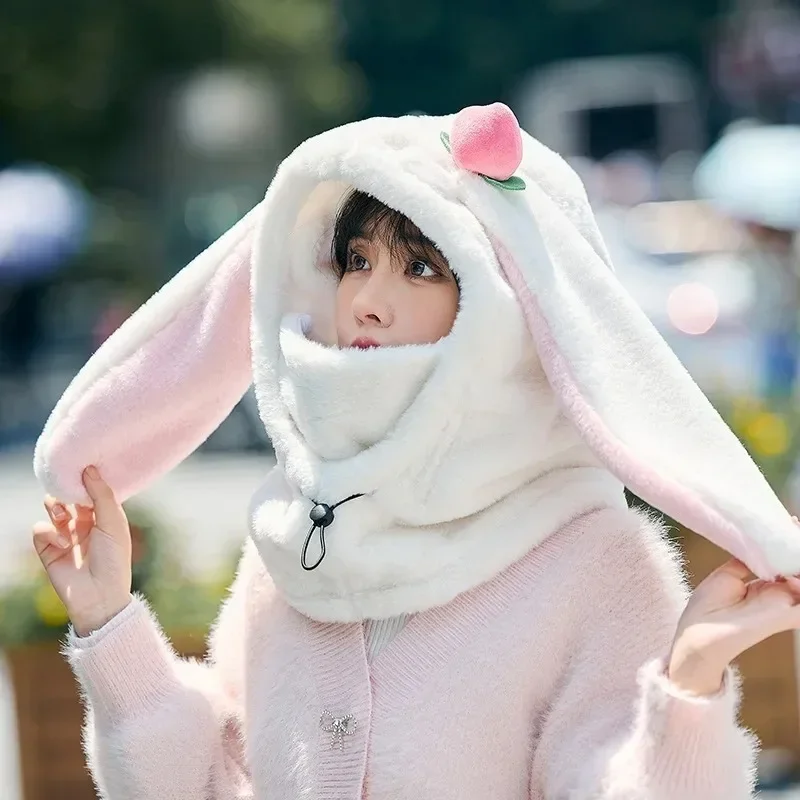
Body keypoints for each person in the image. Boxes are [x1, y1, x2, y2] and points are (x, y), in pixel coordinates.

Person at [31, 103, 800, 799]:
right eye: (356, 260)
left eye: (422, 267)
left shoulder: (595, 563)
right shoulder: (297, 546)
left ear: (508, 308)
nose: (365, 297)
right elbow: (210, 786)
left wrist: (689, 683)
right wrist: (110, 628)